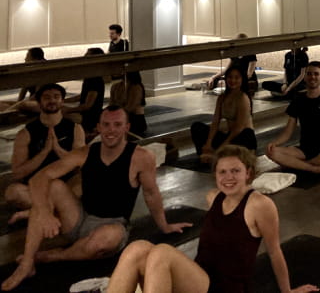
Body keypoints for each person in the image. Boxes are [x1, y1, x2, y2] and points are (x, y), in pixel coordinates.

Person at [1, 105, 191, 291]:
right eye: (106, 125)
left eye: (117, 125)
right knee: (51, 187)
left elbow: (151, 194)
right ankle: (27, 264)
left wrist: (164, 226)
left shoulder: (141, 157)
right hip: (79, 219)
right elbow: (39, 178)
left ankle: (54, 256)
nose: (111, 130)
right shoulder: (85, 153)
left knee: (106, 239)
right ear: (98, 127)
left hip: (113, 225)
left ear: (127, 127)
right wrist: (43, 211)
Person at [106, 145, 319, 293]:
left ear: (248, 173)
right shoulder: (213, 198)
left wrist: (287, 291)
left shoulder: (260, 205)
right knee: (137, 248)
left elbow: (274, 251)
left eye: (235, 171)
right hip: (201, 280)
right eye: (222, 172)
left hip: (227, 288)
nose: (228, 177)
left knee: (162, 253)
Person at [4, 84, 85, 218]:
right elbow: (18, 173)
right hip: (37, 187)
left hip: (66, 185)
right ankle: (58, 209)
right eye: (47, 97)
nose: (52, 100)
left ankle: (40, 211)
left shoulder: (75, 128)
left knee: (88, 181)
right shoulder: (26, 133)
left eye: (56, 97)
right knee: (13, 192)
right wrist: (45, 152)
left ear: (62, 101)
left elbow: (81, 164)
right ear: (39, 102)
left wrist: (57, 149)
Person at [266, 62, 320, 176]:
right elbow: (288, 131)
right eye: (309, 74)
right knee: (271, 151)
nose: (312, 77)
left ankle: (298, 165)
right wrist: (274, 143)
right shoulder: (298, 100)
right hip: (303, 150)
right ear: (304, 77)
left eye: (316, 74)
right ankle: (313, 168)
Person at [192, 65, 256, 164]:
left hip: (242, 137)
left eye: (236, 78)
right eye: (230, 77)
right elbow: (215, 122)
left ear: (242, 79)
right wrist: (208, 143)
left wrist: (222, 147)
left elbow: (239, 129)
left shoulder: (243, 98)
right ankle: (209, 154)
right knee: (197, 127)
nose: (233, 80)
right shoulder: (222, 98)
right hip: (229, 136)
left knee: (245, 134)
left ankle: (218, 156)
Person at [63, 47, 106, 137]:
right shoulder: (89, 77)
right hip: (86, 114)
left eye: (87, 55)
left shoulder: (95, 79)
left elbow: (87, 106)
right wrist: (63, 101)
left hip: (91, 117)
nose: (84, 56)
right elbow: (82, 96)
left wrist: (68, 110)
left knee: (60, 115)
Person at [0, 47, 46, 114]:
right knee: (1, 103)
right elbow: (24, 88)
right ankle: (8, 112)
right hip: (30, 102)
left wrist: (18, 104)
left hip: (40, 103)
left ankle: (5, 114)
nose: (25, 59)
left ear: (35, 59)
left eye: (27, 57)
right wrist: (17, 102)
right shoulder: (31, 70)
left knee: (21, 105)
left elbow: (37, 96)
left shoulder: (43, 71)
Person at [110, 71, 147, 137]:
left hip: (135, 120)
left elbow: (130, 107)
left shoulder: (136, 87)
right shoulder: (115, 86)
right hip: (120, 116)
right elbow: (111, 104)